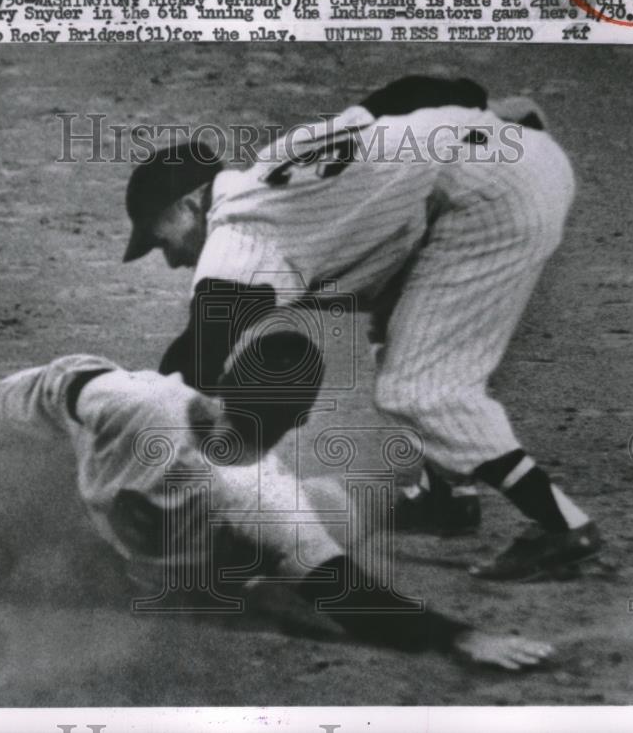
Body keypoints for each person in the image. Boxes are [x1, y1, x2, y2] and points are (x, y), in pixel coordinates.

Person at [119, 75, 601, 581]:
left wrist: (154, 461)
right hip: (512, 158)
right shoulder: (277, 160)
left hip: (492, 204)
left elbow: (199, 351)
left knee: (420, 390)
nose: (171, 259)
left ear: (190, 204)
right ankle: (450, 497)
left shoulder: (237, 233)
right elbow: (399, 98)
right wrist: (488, 107)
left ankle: (563, 526)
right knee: (396, 321)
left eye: (161, 240)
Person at [0, 354, 554, 670]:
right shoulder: (126, 405)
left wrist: (456, 635)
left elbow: (344, 593)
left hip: (172, 532)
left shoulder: (258, 489)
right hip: (75, 449)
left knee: (315, 518)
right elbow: (59, 405)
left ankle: (419, 501)